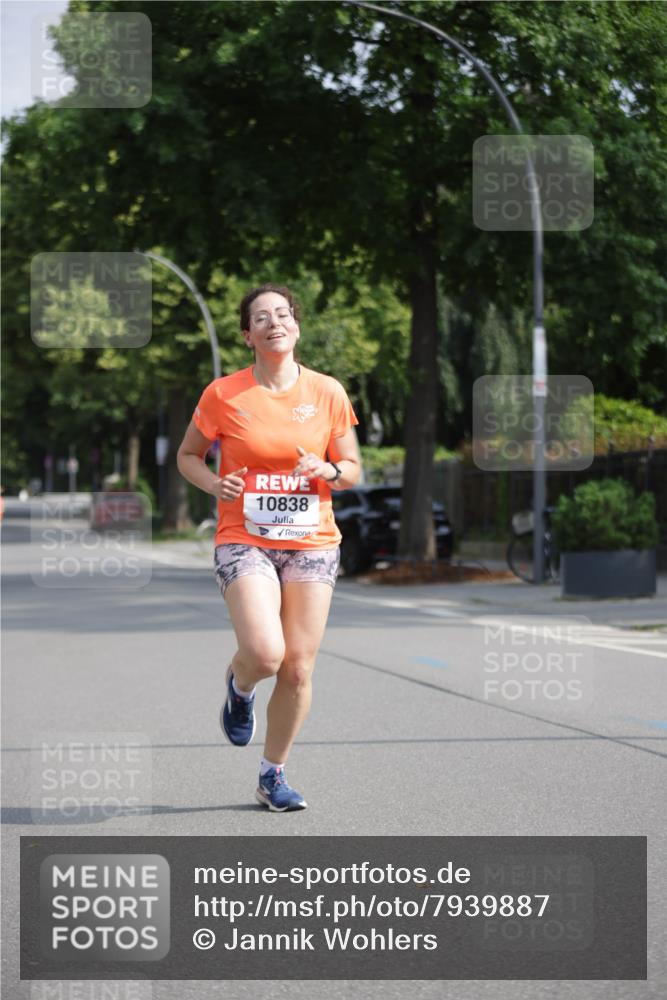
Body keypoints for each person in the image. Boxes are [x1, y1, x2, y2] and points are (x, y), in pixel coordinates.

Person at [176, 284, 361, 811]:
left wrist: (327, 469)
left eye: (283, 314)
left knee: (299, 667)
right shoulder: (223, 394)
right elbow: (189, 455)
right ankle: (239, 686)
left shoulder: (327, 391)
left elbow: (350, 468)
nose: (274, 323)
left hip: (313, 541)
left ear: (297, 327)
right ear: (247, 336)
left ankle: (272, 774)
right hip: (245, 538)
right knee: (266, 653)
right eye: (262, 317)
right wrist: (214, 484)